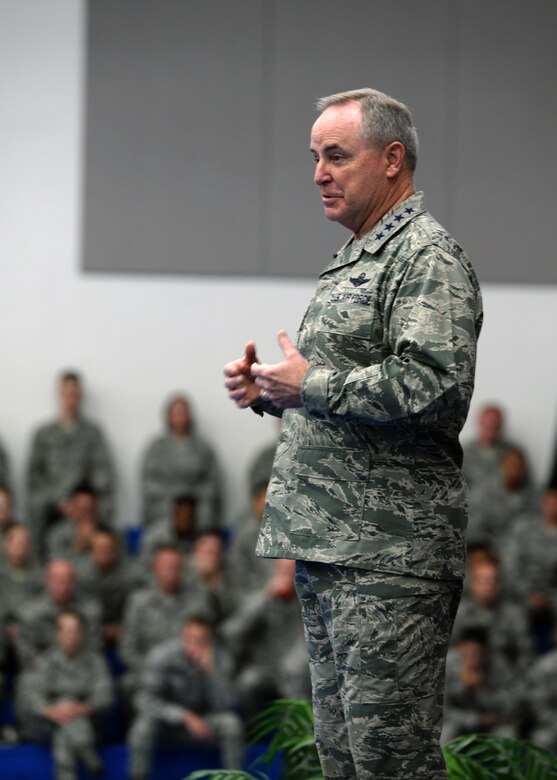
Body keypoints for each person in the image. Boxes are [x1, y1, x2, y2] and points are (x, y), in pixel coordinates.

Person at [224, 88, 482, 779]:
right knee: (344, 760)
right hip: (335, 547)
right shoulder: (358, 256)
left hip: (388, 556)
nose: (318, 172)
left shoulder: (424, 258)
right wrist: (273, 394)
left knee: (388, 764)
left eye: (336, 155)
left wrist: (308, 384)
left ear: (391, 160)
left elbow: (432, 386)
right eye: (314, 157)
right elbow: (350, 396)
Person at [17, 610, 112, 780]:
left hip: (88, 724)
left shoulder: (95, 662)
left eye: (76, 631)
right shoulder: (45, 661)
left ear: (83, 634)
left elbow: (105, 694)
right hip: (48, 724)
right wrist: (51, 711)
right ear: (58, 634)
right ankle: (85, 751)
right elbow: (30, 695)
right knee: (64, 708)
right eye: (67, 631)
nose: (72, 636)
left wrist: (82, 708)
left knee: (64, 733)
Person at [26, 371, 115, 547]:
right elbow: (34, 475)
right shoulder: (43, 433)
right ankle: (40, 564)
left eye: (75, 393)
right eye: (67, 393)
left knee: (106, 509)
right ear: (59, 394)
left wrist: (83, 502)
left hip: (85, 499)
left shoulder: (92, 432)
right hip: (52, 501)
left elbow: (103, 470)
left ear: (80, 396)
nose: (71, 398)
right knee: (35, 507)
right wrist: (60, 501)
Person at [141, 394, 222, 529]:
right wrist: (174, 497)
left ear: (190, 416)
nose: (180, 417)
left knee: (206, 514)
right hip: (166, 504)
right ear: (168, 416)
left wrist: (192, 497)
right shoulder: (155, 448)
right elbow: (148, 481)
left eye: (183, 412)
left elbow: (213, 481)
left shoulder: (203, 447)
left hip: (196, 503)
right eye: (176, 412)